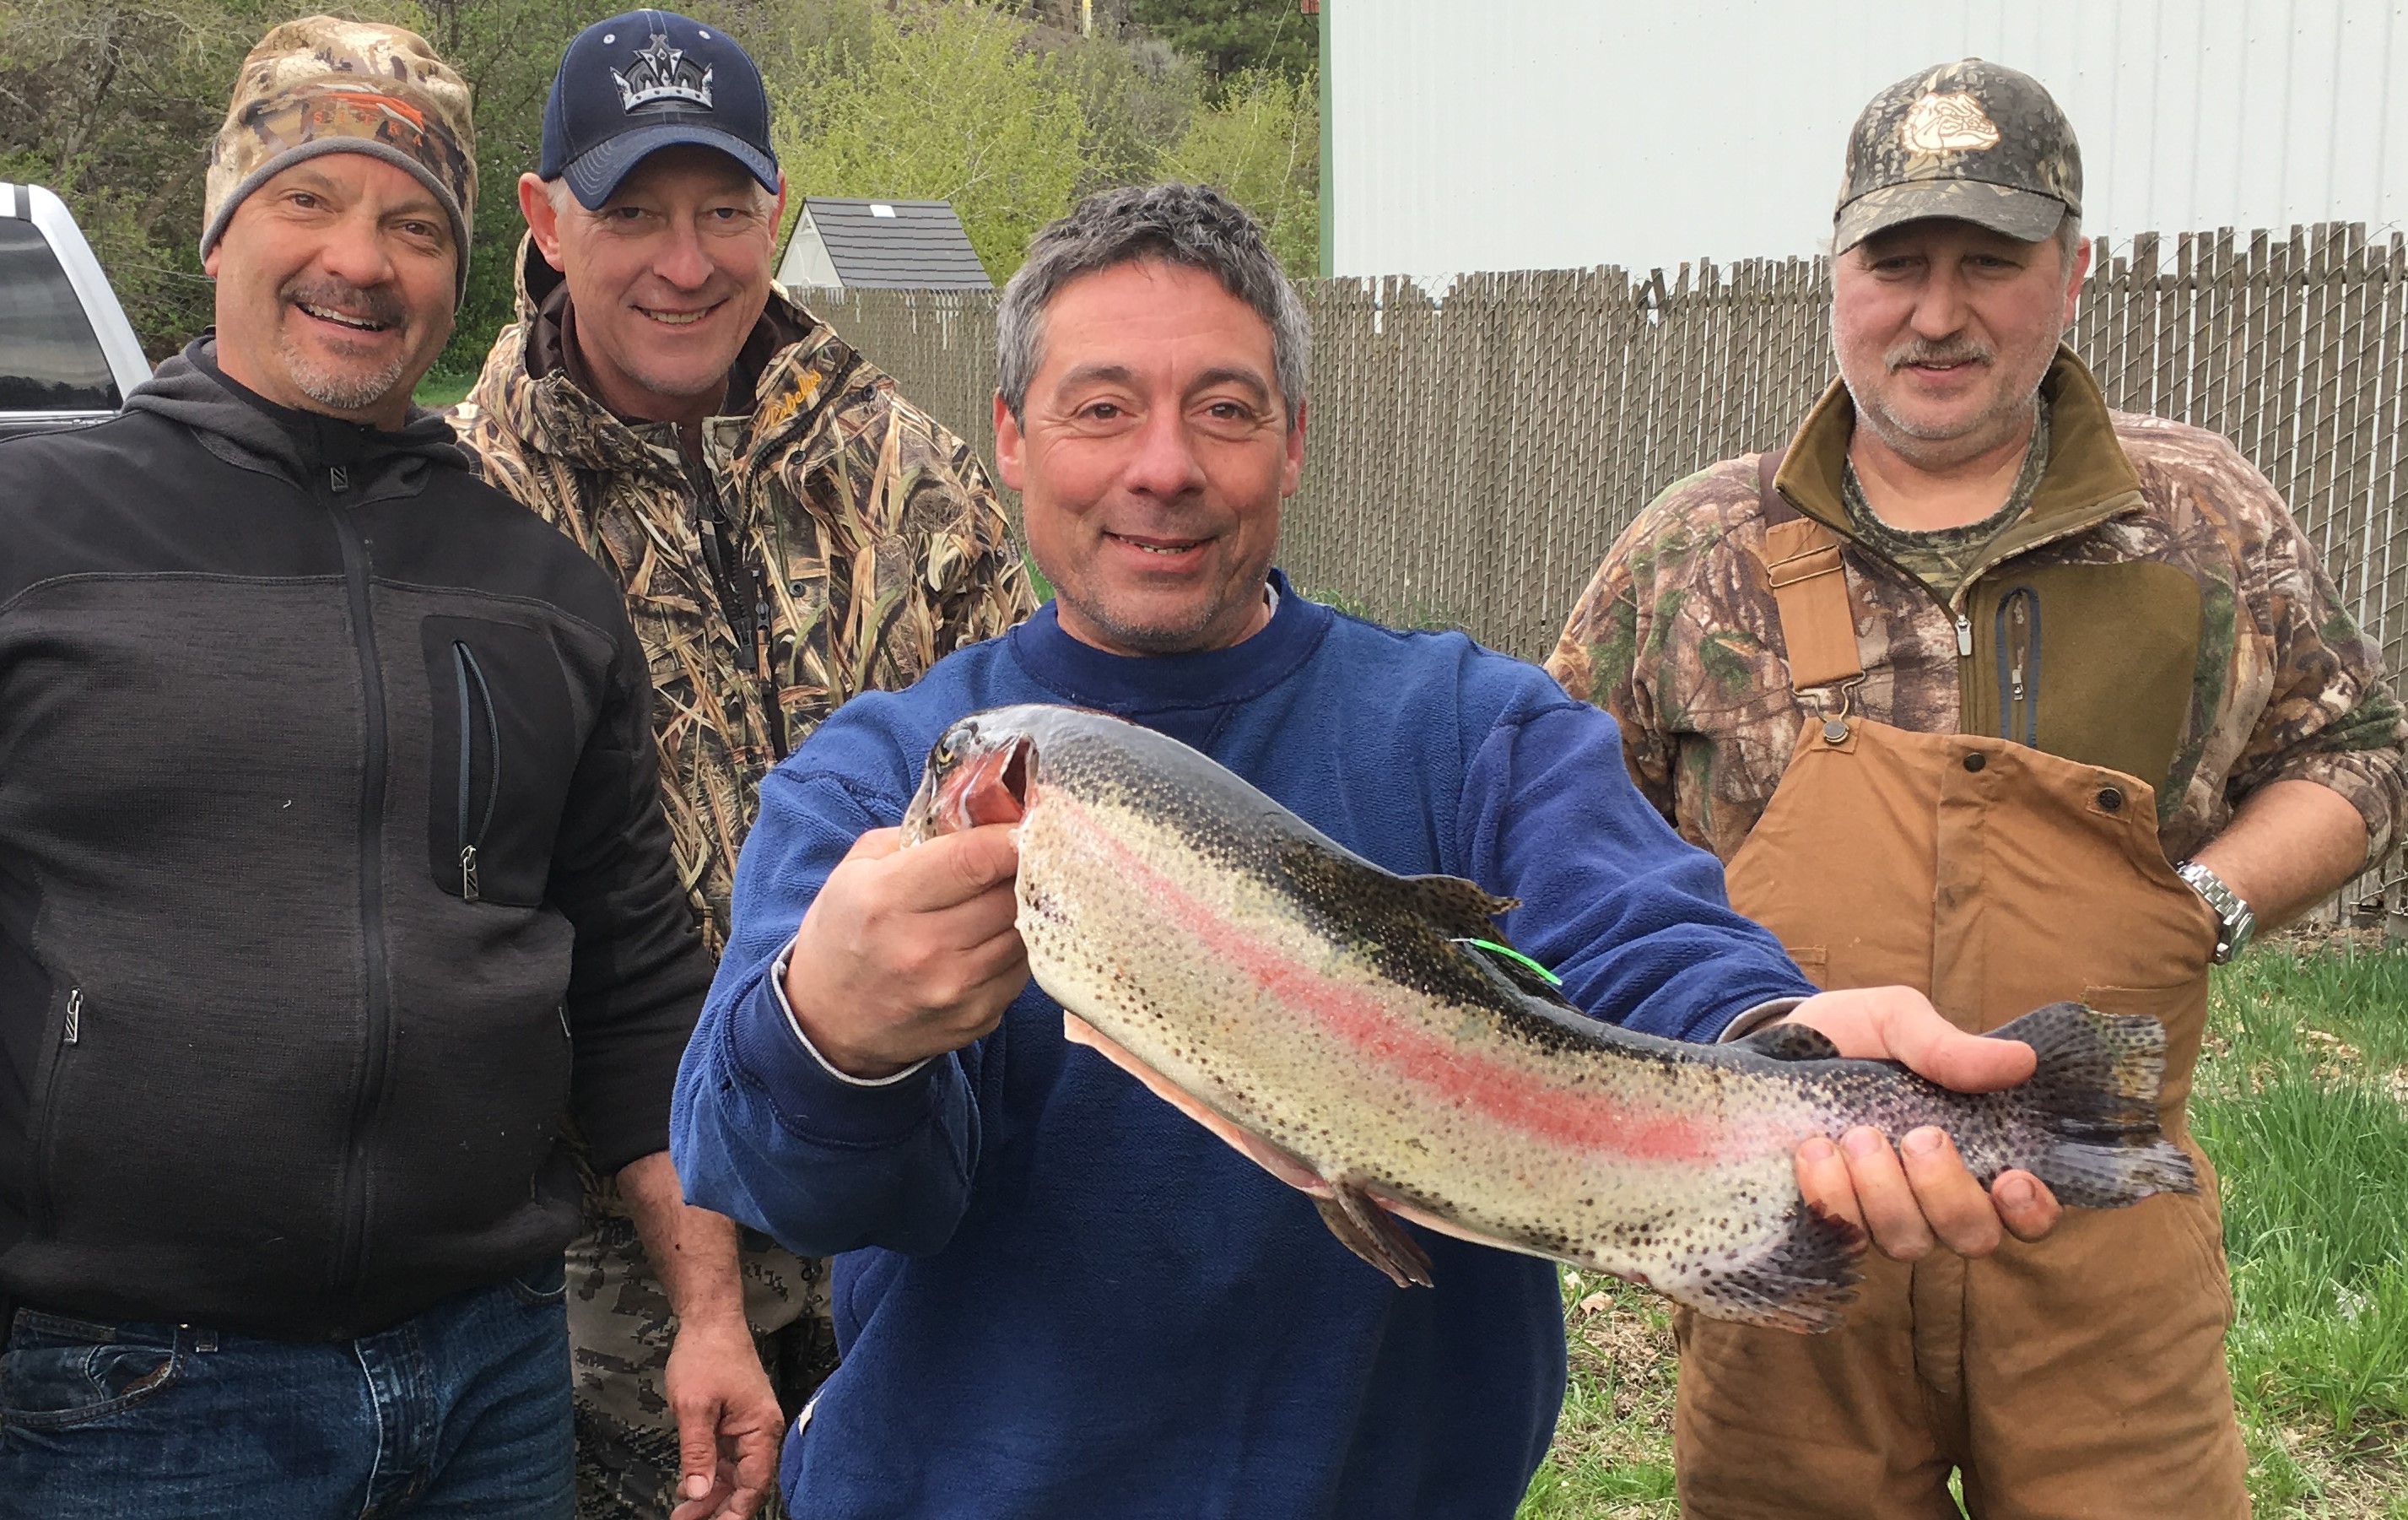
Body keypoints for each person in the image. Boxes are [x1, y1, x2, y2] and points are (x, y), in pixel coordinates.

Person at [667, 181, 2061, 1520]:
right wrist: (835, 1029)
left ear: (1292, 440)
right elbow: (780, 1170)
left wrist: (1787, 1042)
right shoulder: (874, 774)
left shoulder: (1475, 727)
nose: (1164, 466)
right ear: (1013, 437)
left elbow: (1650, 946)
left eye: (1224, 409)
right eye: (1102, 410)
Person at [1548, 58, 2408, 1520]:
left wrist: (2205, 901)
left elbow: (2363, 756)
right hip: (1784, 1257)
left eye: (1987, 262)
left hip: (2098, 1240)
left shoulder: (2195, 518)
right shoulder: (1698, 551)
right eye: (1896, 262)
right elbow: (1552, 835)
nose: (1936, 311)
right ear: (1834, 275)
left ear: (2068, 273)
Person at [0, 16, 779, 1520]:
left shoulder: (541, 588)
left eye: (416, 224)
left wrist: (708, 1311)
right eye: (310, 199)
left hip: (492, 1378)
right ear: (222, 223)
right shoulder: (37, 538)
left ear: (470, 269)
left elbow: (627, 991)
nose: (362, 259)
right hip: (126, 1399)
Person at [445, 13, 1034, 1519]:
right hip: (615, 1257)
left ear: (776, 207)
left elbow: (1034, 778)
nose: (685, 260)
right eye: (633, 210)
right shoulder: (461, 512)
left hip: (915, 1186)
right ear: (543, 220)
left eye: (721, 209)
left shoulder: (906, 471)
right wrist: (691, 1278)